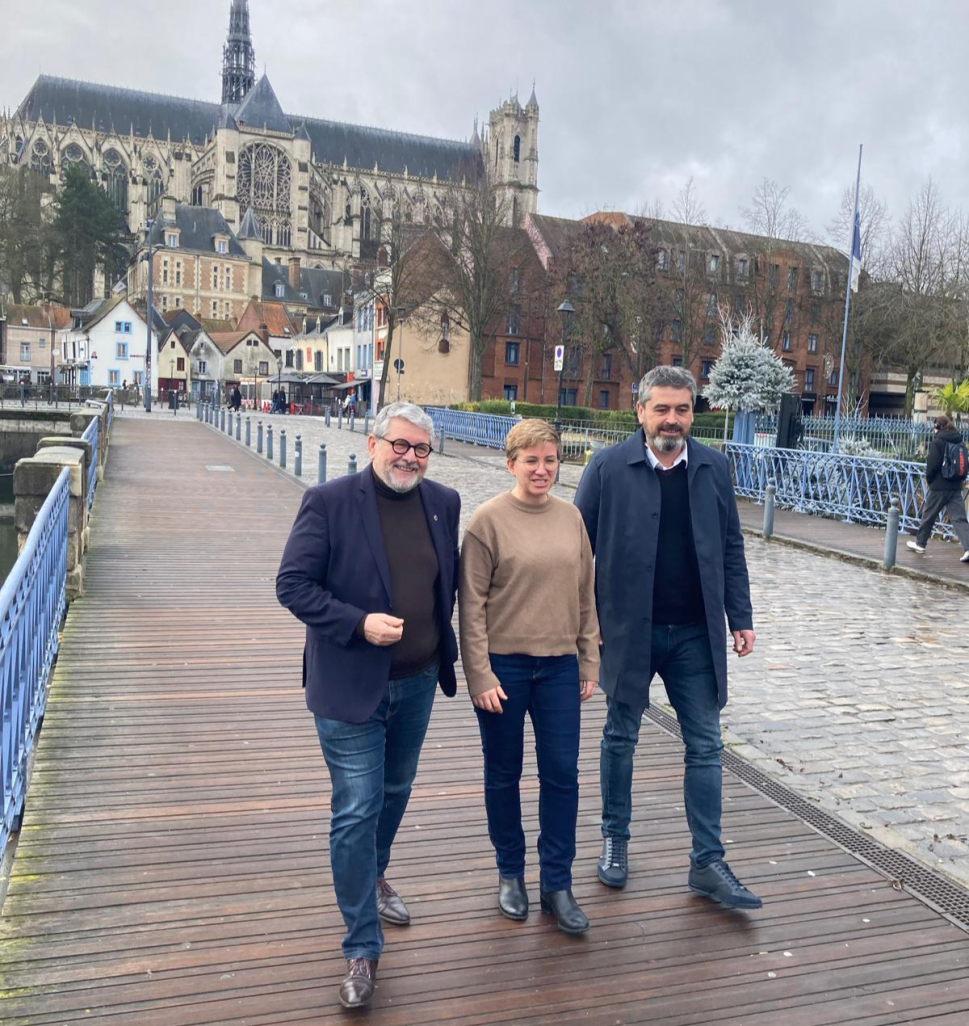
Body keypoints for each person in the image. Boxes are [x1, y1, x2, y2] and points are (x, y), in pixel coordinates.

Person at [276, 401, 460, 1010]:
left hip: (418, 680)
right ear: (372, 441)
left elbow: (446, 585)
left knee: (397, 789)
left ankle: (374, 874)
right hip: (350, 682)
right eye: (399, 445)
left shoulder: (444, 503)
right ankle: (361, 945)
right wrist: (358, 624)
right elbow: (293, 585)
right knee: (356, 806)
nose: (409, 457)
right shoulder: (328, 502)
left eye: (421, 449)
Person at [574, 365, 762, 910]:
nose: (672, 419)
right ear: (641, 412)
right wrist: (582, 625)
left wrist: (740, 616)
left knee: (706, 746)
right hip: (628, 631)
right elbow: (573, 547)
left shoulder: (713, 467)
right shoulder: (607, 468)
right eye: (662, 408)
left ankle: (707, 861)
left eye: (682, 409)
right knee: (621, 736)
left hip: (694, 635)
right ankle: (615, 840)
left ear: (692, 413)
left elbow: (731, 548)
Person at [459, 420, 599, 934]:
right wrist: (479, 673)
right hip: (505, 668)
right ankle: (510, 872)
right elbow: (470, 605)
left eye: (551, 460)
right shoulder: (487, 522)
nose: (542, 470)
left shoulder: (572, 519)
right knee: (504, 773)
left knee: (562, 775)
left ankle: (557, 883)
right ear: (510, 462)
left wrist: (588, 660)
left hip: (559, 666)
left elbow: (587, 593)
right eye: (532, 460)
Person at [906, 414, 969, 562]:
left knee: (929, 514)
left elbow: (932, 466)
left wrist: (930, 480)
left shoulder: (938, 442)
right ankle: (968, 548)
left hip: (939, 486)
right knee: (959, 518)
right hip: (955, 485)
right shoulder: (959, 440)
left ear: (937, 427)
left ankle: (920, 543)